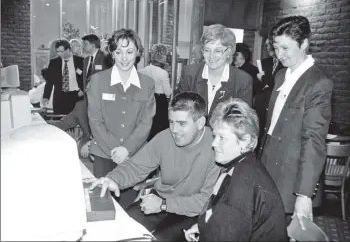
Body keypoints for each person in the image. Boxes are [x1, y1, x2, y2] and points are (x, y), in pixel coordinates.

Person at [89, 92, 221, 241]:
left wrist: (164, 205)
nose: (174, 130)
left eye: (182, 123)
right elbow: (135, 167)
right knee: (120, 228)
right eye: (171, 122)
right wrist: (113, 179)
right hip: (160, 201)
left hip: (193, 214)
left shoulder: (218, 147)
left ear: (200, 123)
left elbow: (204, 201)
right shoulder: (164, 138)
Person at [258, 16, 333, 230]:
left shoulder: (318, 83)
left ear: (304, 44)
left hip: (290, 178)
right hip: (267, 167)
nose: (279, 55)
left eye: (285, 48)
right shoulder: (281, 75)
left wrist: (304, 194)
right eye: (275, 47)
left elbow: (314, 141)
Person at [184, 98, 287, 241]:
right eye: (215, 136)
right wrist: (203, 226)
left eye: (222, 138)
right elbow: (220, 215)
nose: (214, 143)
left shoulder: (242, 184)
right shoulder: (244, 165)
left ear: (245, 141)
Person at [86, 28, 156, 179]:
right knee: (106, 201)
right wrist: (116, 149)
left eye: (129, 52)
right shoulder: (98, 81)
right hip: (104, 154)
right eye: (118, 52)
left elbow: (146, 122)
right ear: (111, 54)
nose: (124, 58)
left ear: (138, 52)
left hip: (135, 155)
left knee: (131, 202)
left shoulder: (147, 83)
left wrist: (127, 149)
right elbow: (95, 120)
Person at [176, 24, 252, 123]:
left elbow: (241, 122)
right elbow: (179, 111)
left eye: (218, 51)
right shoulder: (189, 73)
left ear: (230, 52)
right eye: (207, 50)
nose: (211, 56)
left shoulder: (243, 80)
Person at [254, 39, 285, 147]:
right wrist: (261, 81)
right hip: (262, 104)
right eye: (266, 44)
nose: (267, 46)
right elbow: (256, 85)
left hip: (276, 103)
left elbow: (279, 84)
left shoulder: (285, 63)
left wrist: (264, 81)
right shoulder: (264, 62)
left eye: (270, 44)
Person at [138, 44, 172, 141]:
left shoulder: (142, 71)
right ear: (163, 57)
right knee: (160, 127)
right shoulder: (163, 73)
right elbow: (168, 92)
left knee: (148, 124)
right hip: (160, 101)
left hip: (146, 99)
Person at [43, 39, 84, 114]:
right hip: (59, 98)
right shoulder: (54, 63)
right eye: (57, 51)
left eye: (61, 51)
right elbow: (49, 82)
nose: (59, 54)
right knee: (60, 123)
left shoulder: (81, 61)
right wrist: (46, 97)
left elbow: (87, 78)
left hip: (76, 97)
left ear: (68, 49)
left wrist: (83, 90)